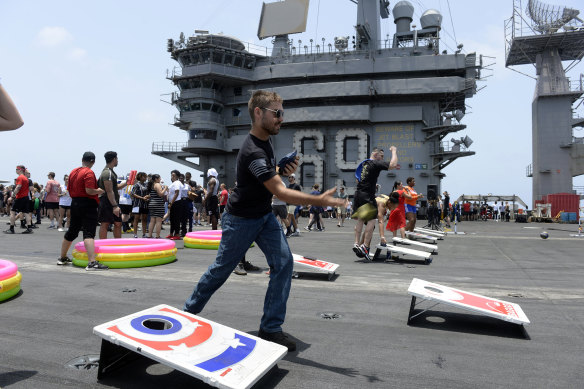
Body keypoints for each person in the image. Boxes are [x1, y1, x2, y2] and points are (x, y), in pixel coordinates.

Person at [183, 90, 346, 352]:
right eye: (277, 113)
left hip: (263, 216)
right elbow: (279, 192)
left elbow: (267, 178)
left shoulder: (266, 142)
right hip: (240, 220)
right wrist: (320, 201)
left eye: (282, 113)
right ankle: (186, 315)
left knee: (283, 263)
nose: (281, 118)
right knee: (221, 270)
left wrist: (280, 170)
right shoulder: (253, 151)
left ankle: (270, 328)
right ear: (258, 113)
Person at [57, 152, 107, 270]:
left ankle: (62, 257)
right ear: (93, 161)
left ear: (82, 159)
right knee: (89, 232)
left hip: (74, 203)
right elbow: (89, 190)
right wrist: (99, 191)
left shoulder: (73, 172)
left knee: (72, 231)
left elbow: (69, 189)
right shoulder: (89, 172)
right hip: (87, 204)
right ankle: (92, 262)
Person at [352, 146, 398, 258]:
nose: (382, 158)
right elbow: (392, 165)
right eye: (381, 156)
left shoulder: (364, 164)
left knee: (361, 219)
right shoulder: (375, 163)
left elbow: (358, 178)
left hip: (358, 194)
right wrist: (394, 151)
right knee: (372, 220)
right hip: (367, 195)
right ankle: (365, 246)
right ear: (375, 154)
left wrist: (372, 184)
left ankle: (357, 243)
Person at [97, 151, 126, 239]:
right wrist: (114, 206)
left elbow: (115, 187)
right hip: (107, 201)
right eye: (117, 159)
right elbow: (109, 190)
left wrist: (127, 182)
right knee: (105, 224)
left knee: (118, 223)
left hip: (112, 201)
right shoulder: (107, 173)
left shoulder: (111, 172)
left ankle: (117, 245)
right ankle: (103, 246)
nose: (117, 161)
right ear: (114, 159)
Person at [4, 165, 33, 234]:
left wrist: (12, 196)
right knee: (26, 213)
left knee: (12, 212)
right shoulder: (26, 178)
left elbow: (18, 187)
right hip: (26, 197)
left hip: (20, 197)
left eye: (17, 169)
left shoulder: (20, 177)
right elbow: (30, 188)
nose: (16, 170)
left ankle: (11, 228)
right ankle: (29, 228)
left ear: (20, 170)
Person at [131, 172, 150, 238]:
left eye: (145, 176)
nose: (145, 178)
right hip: (137, 204)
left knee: (144, 219)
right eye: (144, 176)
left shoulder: (146, 185)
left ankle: (144, 233)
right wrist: (142, 198)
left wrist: (147, 196)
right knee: (136, 219)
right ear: (140, 177)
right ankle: (135, 234)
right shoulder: (136, 185)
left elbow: (149, 193)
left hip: (145, 204)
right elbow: (132, 193)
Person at [147, 174, 166, 239]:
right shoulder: (157, 184)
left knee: (152, 220)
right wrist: (165, 188)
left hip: (152, 203)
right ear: (156, 179)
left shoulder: (152, 185)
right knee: (158, 220)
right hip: (158, 204)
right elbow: (160, 194)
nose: (160, 180)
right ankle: (157, 236)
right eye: (159, 178)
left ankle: (149, 235)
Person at [167, 169, 182, 240]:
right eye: (171, 175)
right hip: (173, 203)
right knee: (172, 219)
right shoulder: (173, 183)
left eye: (174, 175)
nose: (172, 177)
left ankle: (177, 234)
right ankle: (171, 233)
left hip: (176, 202)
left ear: (177, 176)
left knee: (176, 219)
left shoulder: (177, 183)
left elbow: (177, 193)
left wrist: (171, 203)